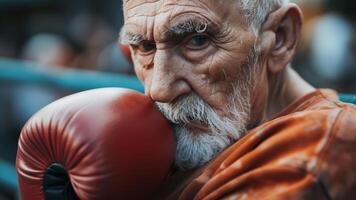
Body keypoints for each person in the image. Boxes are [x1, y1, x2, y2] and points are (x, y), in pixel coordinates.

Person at [120, 0, 356, 199]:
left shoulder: (314, 150)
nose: (158, 89)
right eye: (145, 45)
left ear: (280, 38)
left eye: (198, 41)